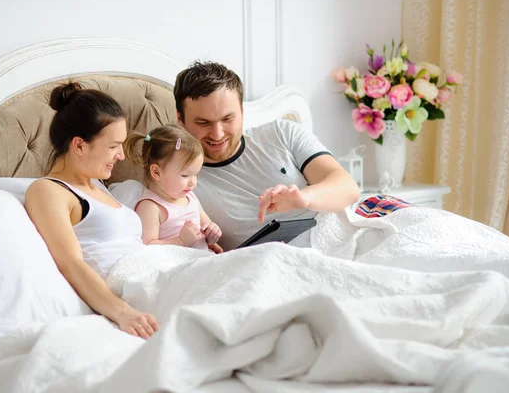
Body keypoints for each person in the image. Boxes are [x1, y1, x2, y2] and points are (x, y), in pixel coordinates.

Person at [174, 61, 361, 250]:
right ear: (180, 119)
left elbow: (348, 188)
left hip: (342, 236)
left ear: (242, 111)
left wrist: (303, 198)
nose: (217, 134)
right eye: (203, 123)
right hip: (273, 262)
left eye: (227, 119)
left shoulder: (282, 133)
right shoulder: (175, 178)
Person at [24, 82, 159, 339]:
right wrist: (123, 313)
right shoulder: (49, 191)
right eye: (113, 146)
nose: (121, 155)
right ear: (79, 145)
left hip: (156, 271)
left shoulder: (97, 185)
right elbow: (71, 263)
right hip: (134, 292)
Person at [123, 125, 222, 252]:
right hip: (176, 264)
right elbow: (147, 246)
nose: (193, 182)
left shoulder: (190, 197)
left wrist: (211, 236)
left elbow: (206, 228)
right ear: (156, 172)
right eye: (185, 175)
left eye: (195, 174)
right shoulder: (151, 207)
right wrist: (180, 241)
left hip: (201, 258)